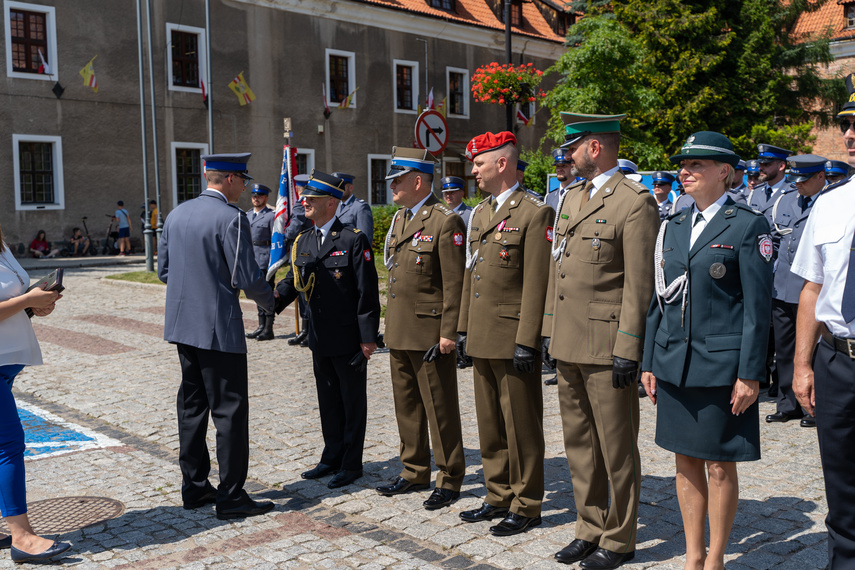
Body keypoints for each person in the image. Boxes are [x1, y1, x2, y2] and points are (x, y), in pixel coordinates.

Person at [641, 131, 773, 570]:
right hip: (675, 365)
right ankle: (692, 555)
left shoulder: (748, 224)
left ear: (725, 172)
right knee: (684, 462)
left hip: (721, 368)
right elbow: (660, 298)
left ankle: (715, 559)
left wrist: (750, 374)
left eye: (696, 165)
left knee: (719, 465)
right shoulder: (673, 225)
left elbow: (757, 308)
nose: (685, 171)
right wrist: (649, 362)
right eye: (684, 164)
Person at [544, 113, 658, 569]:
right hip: (570, 342)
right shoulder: (571, 196)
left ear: (595, 148)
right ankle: (588, 528)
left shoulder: (634, 201)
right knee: (578, 443)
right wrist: (550, 332)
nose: (566, 155)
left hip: (607, 345)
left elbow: (639, 284)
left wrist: (629, 346)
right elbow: (561, 270)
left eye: (572, 146)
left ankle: (619, 537)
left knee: (617, 448)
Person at [158, 152, 275, 520]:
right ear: (226, 179)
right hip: (217, 329)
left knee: (192, 407)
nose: (244, 186)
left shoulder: (176, 214)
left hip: (182, 325)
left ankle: (194, 487)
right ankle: (231, 495)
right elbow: (246, 275)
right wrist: (272, 301)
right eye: (241, 179)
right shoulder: (231, 218)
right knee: (230, 412)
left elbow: (164, 271)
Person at [457, 131, 554, 536]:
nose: (473, 170)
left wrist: (528, 339)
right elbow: (470, 275)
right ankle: (497, 494)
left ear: (501, 163)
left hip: (513, 335)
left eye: (479, 163)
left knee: (521, 424)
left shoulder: (534, 212)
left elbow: (537, 282)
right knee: (490, 422)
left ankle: (527, 502)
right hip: (481, 332)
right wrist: (462, 329)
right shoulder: (480, 213)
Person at [273, 170, 380, 489]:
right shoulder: (303, 240)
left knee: (351, 401)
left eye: (313, 199)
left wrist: (368, 338)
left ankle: (351, 463)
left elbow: (366, 291)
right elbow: (294, 281)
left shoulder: (352, 239)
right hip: (318, 335)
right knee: (328, 399)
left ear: (331, 203)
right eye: (306, 198)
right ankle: (331, 455)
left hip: (348, 337)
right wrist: (270, 299)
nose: (304, 202)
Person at [375, 148, 466, 510]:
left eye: (397, 180)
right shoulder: (400, 219)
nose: (392, 186)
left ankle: (449, 476)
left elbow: (454, 282)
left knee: (439, 406)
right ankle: (414, 469)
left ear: (417, 181)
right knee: (407, 405)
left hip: (430, 332)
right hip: (400, 328)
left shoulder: (445, 221)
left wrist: (449, 332)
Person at [791, 77, 855, 569]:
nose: (849, 135)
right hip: (839, 361)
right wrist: (802, 366)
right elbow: (811, 289)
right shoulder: (830, 205)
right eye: (846, 125)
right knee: (842, 483)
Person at [0, 223, 72, 563]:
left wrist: (36, 305)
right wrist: (28, 299)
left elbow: (10, 300)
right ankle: (22, 538)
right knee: (7, 444)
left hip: (6, 360)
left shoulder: (1, 244)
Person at [766, 155, 825, 428]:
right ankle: (787, 404)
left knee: (813, 351)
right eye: (795, 179)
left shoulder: (829, 203)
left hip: (812, 289)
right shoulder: (786, 200)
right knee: (785, 349)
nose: (798, 185)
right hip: (783, 287)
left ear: (820, 178)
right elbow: (775, 241)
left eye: (804, 180)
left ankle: (814, 406)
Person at [284, 174, 314, 348]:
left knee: (304, 294)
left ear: (298, 188)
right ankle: (305, 330)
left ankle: (309, 331)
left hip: (302, 254)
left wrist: (284, 233)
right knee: (304, 294)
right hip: (307, 253)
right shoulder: (311, 202)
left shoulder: (300, 204)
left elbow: (293, 229)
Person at [245, 184, 277, 342]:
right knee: (257, 293)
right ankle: (260, 325)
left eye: (259, 196)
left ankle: (268, 328)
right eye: (254, 196)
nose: (256, 199)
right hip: (252, 259)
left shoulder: (271, 215)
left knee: (267, 292)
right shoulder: (248, 215)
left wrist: (274, 261)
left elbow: (275, 241)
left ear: (266, 198)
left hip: (265, 259)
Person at [333, 172, 374, 239]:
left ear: (350, 188)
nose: (337, 190)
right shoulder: (335, 206)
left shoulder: (360, 207)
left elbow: (365, 236)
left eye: (340, 187)